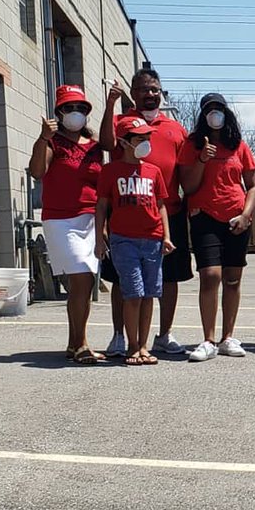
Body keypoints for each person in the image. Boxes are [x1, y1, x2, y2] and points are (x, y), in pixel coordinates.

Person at [100, 69, 191, 358]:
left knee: (167, 279)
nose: (150, 94)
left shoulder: (175, 128)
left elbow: (185, 170)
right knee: (121, 279)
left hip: (166, 214)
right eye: (143, 89)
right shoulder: (121, 122)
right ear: (133, 93)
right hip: (125, 215)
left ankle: (163, 334)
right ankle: (120, 336)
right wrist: (111, 104)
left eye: (154, 89)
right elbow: (106, 144)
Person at [177, 95, 255, 362]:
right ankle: (208, 340)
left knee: (233, 279)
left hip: (236, 218)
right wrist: (202, 159)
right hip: (205, 216)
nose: (215, 113)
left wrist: (246, 215)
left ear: (226, 113)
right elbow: (188, 186)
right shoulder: (192, 145)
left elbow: (252, 185)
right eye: (210, 109)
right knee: (211, 275)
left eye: (219, 109)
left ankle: (227, 338)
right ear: (203, 114)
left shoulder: (239, 145)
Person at [28, 85, 105, 364]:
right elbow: (37, 172)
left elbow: (101, 185)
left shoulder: (94, 146)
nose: (76, 112)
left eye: (81, 108)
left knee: (83, 283)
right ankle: (82, 344)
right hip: (61, 220)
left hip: (90, 219)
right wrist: (43, 138)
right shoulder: (52, 142)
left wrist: (103, 225)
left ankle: (75, 344)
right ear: (59, 112)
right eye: (70, 108)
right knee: (82, 278)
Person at [94, 117, 175, 366]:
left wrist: (166, 236)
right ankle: (131, 345)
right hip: (123, 240)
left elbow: (161, 205)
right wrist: (99, 239)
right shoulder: (110, 171)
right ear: (124, 142)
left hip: (152, 240)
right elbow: (101, 206)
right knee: (133, 293)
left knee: (149, 294)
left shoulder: (153, 171)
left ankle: (143, 346)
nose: (146, 143)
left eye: (147, 138)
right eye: (140, 139)